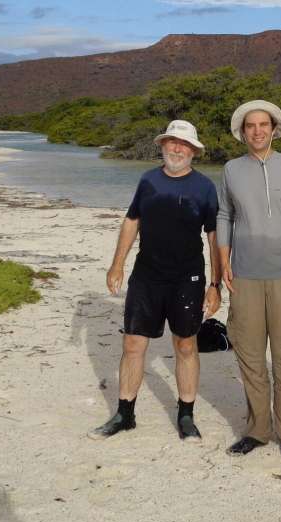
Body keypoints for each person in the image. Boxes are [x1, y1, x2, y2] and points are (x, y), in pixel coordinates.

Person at [90, 119, 221, 441]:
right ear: (162, 146)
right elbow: (132, 221)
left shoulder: (205, 187)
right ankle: (125, 413)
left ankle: (186, 415)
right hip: (147, 275)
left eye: (184, 144)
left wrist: (215, 284)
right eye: (172, 142)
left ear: (194, 151)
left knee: (186, 344)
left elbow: (214, 236)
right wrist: (116, 265)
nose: (177, 149)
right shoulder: (148, 180)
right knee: (133, 342)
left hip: (187, 277)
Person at [217, 100, 281, 462]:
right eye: (251, 126)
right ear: (242, 132)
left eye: (264, 125)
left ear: (274, 129)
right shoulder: (231, 169)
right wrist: (223, 262)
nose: (258, 131)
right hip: (243, 276)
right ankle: (258, 430)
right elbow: (224, 216)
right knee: (249, 354)